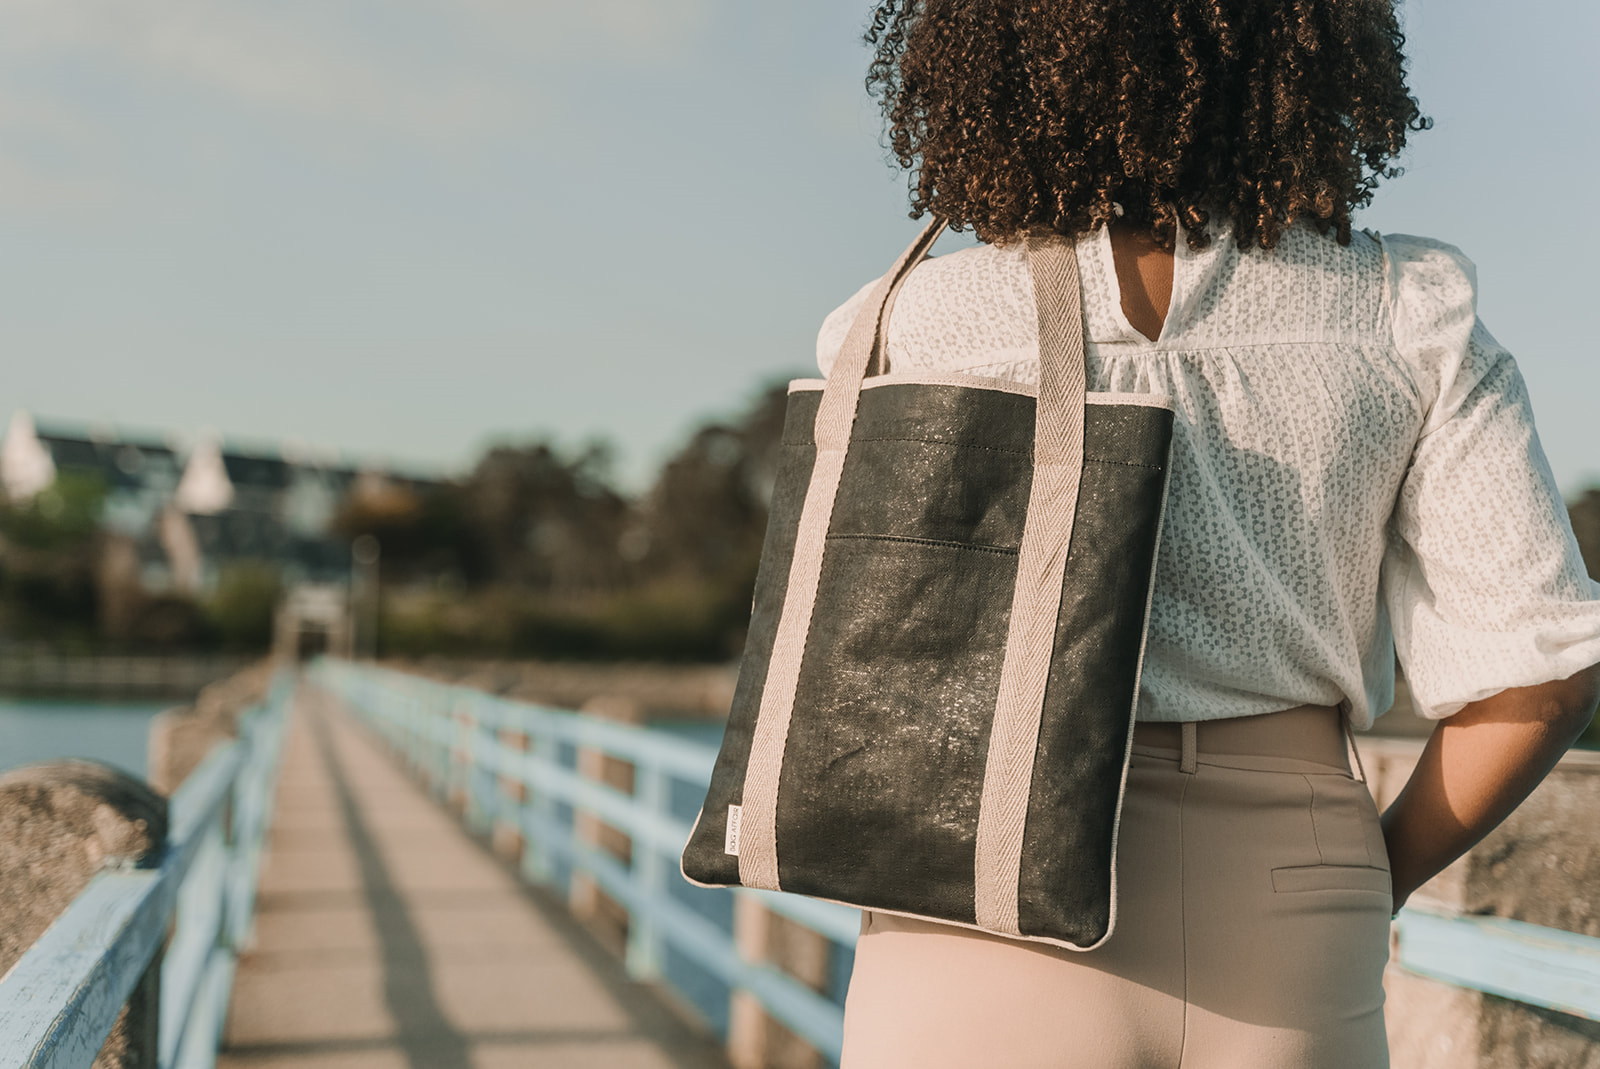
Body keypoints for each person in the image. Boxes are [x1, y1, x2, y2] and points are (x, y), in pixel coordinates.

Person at [820, 1, 1600, 1066]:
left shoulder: (904, 323)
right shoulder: (1403, 309)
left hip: (977, 879)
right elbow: (1543, 678)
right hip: (1290, 890)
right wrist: (1374, 873)